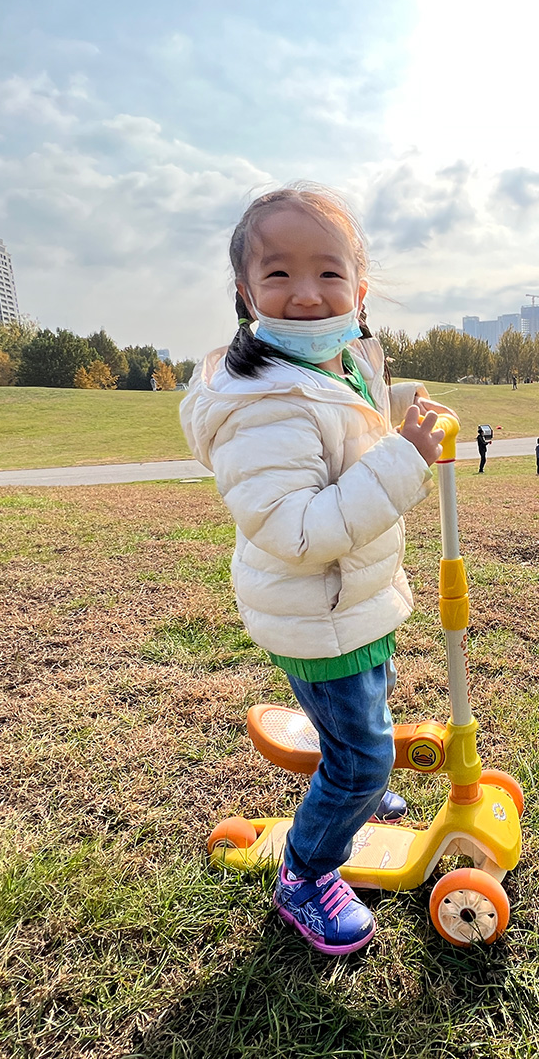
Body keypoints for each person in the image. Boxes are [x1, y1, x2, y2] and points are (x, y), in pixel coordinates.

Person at [180, 184, 455, 956]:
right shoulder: (264, 402)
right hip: (317, 606)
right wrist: (406, 457)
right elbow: (299, 532)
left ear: (359, 291)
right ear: (245, 294)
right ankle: (306, 870)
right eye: (278, 276)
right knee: (364, 750)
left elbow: (350, 448)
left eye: (328, 273)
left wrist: (398, 427)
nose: (306, 295)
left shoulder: (340, 363)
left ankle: (354, 786)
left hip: (349, 602)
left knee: (373, 705)